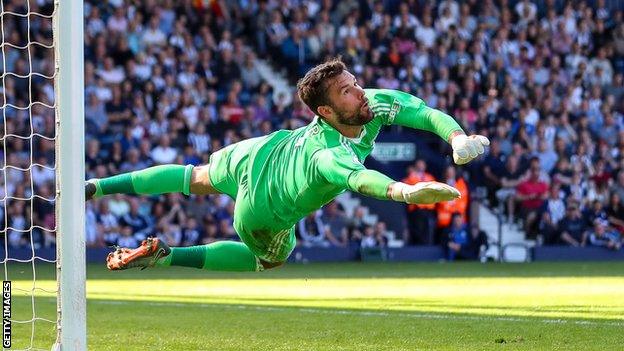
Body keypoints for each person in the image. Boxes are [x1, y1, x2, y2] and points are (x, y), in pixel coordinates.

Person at [87, 58, 489, 272]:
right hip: (263, 206)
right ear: (327, 111)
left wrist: (458, 138)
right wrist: (403, 192)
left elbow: (421, 112)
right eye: (348, 91)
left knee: (194, 176)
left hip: (257, 151)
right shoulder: (327, 153)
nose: (361, 93)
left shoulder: (370, 103)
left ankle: (97, 186)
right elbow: (359, 178)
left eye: (355, 83)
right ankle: (168, 256)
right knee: (268, 260)